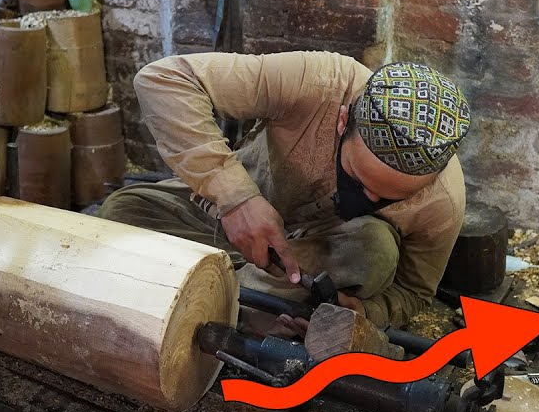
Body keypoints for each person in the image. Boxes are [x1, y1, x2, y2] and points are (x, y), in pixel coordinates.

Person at [97, 51, 470, 335]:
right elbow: (162, 79)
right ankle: (238, 303)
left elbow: (413, 292)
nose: (370, 199)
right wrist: (236, 198)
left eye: (389, 197)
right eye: (358, 177)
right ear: (343, 121)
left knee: (375, 248)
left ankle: (211, 297)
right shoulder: (319, 81)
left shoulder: (443, 202)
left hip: (307, 261)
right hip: (221, 223)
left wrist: (364, 313)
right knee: (122, 211)